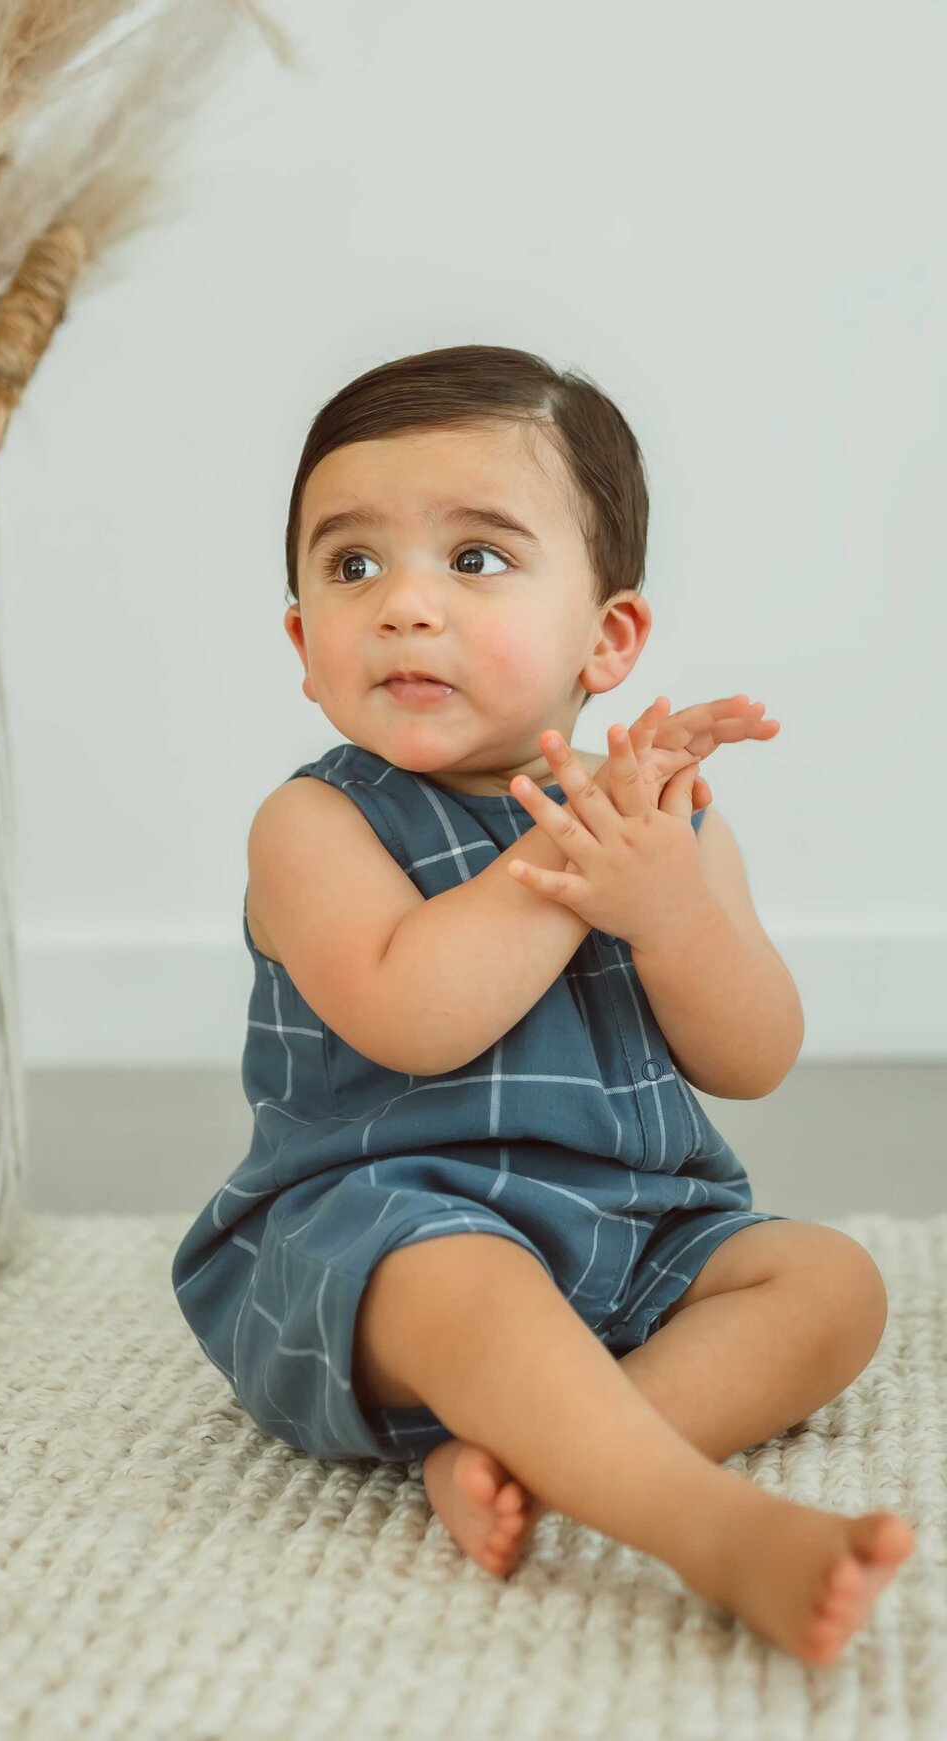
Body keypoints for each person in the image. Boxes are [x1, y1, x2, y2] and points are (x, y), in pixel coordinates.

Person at [171, 344, 915, 1667]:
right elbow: (414, 1014)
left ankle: (534, 1446)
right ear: (301, 643)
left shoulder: (666, 827)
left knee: (832, 1283)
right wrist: (569, 863)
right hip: (385, 1242)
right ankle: (704, 1522)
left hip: (637, 1234)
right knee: (469, 1281)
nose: (404, 604)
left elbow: (754, 1055)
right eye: (353, 566)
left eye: (475, 558)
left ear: (607, 635)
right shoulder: (314, 822)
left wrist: (673, 905)